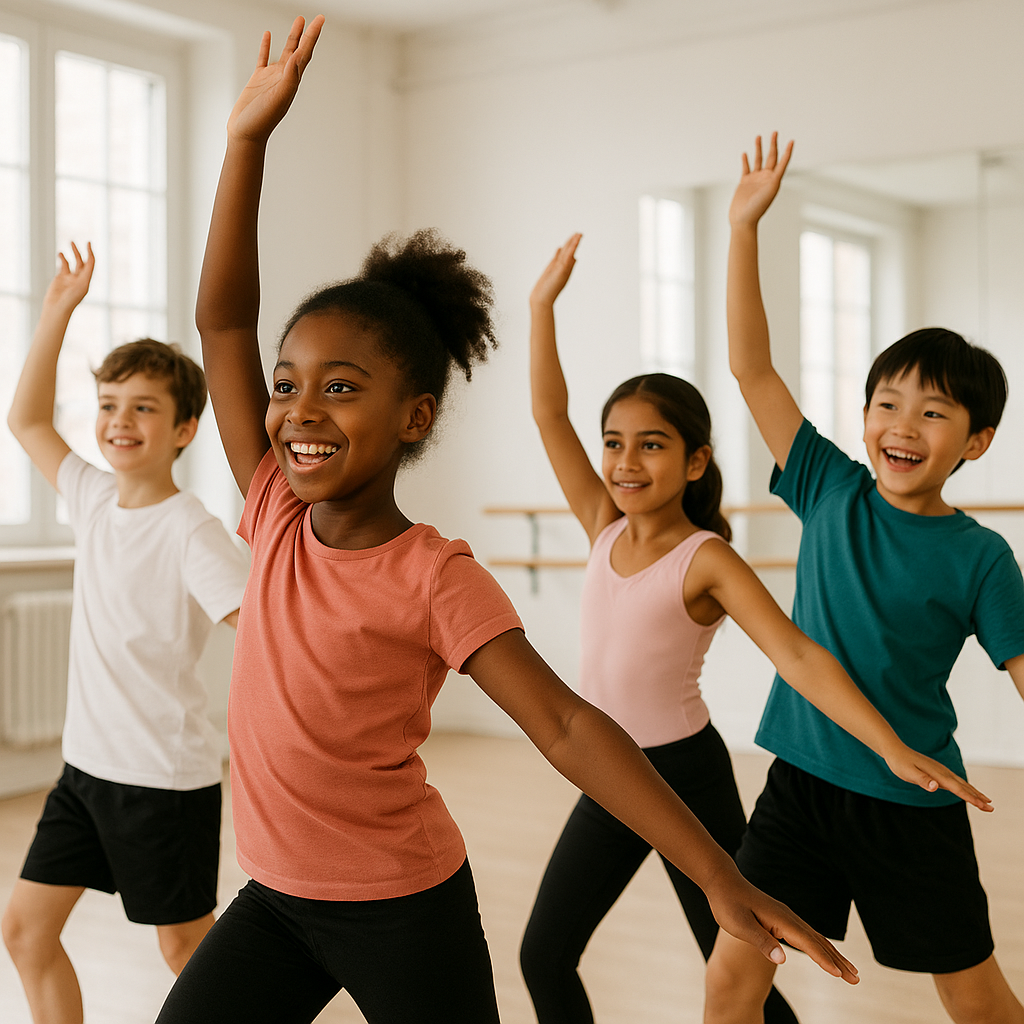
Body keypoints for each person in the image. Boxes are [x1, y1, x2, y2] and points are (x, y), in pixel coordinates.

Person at [147, 18, 983, 1024]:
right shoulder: (272, 510)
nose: (298, 410)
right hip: (275, 897)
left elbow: (565, 723)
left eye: (340, 387)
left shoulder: (433, 573)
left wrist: (721, 878)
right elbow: (222, 324)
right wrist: (243, 144)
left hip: (400, 904)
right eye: (287, 387)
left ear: (415, 417)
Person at [518, 235, 993, 1024]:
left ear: (697, 461)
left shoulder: (708, 559)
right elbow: (547, 412)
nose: (626, 462)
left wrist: (888, 745)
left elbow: (799, 656)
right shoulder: (602, 524)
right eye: (614, 444)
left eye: (653, 445)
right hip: (607, 770)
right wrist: (540, 309)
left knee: (738, 965)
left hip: (684, 779)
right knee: (545, 955)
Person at [703, 133, 1024, 1024]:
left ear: (977, 441)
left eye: (933, 411)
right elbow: (751, 368)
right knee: (734, 972)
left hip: (910, 798)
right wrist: (742, 230)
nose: (903, 424)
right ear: (865, 416)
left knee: (973, 995)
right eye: (887, 403)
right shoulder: (829, 485)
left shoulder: (982, 557)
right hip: (800, 783)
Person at [2, 244, 249, 1024]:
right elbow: (28, 419)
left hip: (162, 783)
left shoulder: (193, 531)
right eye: (109, 404)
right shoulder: (90, 496)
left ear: (185, 428)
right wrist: (56, 314)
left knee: (186, 953)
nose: (119, 422)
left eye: (143, 407)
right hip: (84, 774)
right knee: (25, 932)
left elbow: (264, 627)